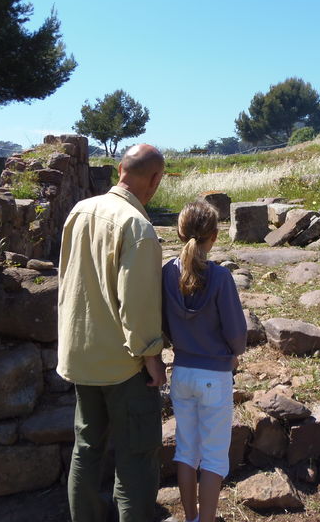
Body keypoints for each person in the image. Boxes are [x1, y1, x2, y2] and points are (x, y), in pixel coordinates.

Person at [57, 144, 167, 522]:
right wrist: (152, 357)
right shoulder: (137, 226)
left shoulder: (79, 210)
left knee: (86, 447)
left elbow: (66, 280)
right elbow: (137, 304)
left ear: (120, 169)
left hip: (79, 353)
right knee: (137, 453)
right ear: (155, 180)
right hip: (123, 362)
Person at [162, 200, 247, 522]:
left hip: (181, 371)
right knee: (212, 457)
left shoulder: (166, 272)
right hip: (214, 375)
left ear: (180, 232)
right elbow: (235, 330)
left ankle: (190, 517)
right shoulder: (221, 277)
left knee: (186, 451)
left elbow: (164, 322)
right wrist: (234, 353)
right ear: (214, 235)